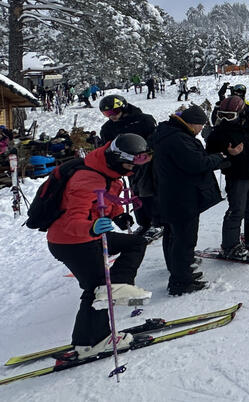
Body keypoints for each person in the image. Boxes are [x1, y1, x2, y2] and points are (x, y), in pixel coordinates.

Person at [47, 135, 152, 357]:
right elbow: (73, 220)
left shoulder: (107, 172)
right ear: (117, 159)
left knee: (136, 243)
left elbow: (104, 202)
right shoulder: (87, 180)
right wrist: (92, 227)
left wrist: (118, 215)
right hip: (71, 241)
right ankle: (91, 341)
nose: (133, 168)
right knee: (95, 288)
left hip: (89, 236)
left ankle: (116, 287)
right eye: (130, 164)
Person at [152, 105, 228, 295]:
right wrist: (218, 157)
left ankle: (181, 272)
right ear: (192, 123)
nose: (201, 130)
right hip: (182, 197)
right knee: (184, 240)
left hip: (174, 194)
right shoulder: (178, 139)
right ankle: (181, 282)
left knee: (176, 237)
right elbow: (196, 164)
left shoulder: (171, 134)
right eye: (201, 125)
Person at [205, 96, 249, 259]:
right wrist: (228, 154)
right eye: (222, 115)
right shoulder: (218, 133)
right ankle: (230, 246)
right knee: (236, 210)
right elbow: (210, 156)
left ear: (240, 113)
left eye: (230, 116)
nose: (225, 119)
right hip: (236, 176)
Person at [98, 94, 159, 240]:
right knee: (134, 193)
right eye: (107, 113)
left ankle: (156, 222)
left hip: (146, 161)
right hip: (127, 165)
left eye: (114, 111)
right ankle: (144, 223)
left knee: (148, 191)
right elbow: (107, 147)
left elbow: (154, 139)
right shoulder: (107, 128)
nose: (111, 116)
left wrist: (148, 154)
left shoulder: (143, 120)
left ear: (123, 108)